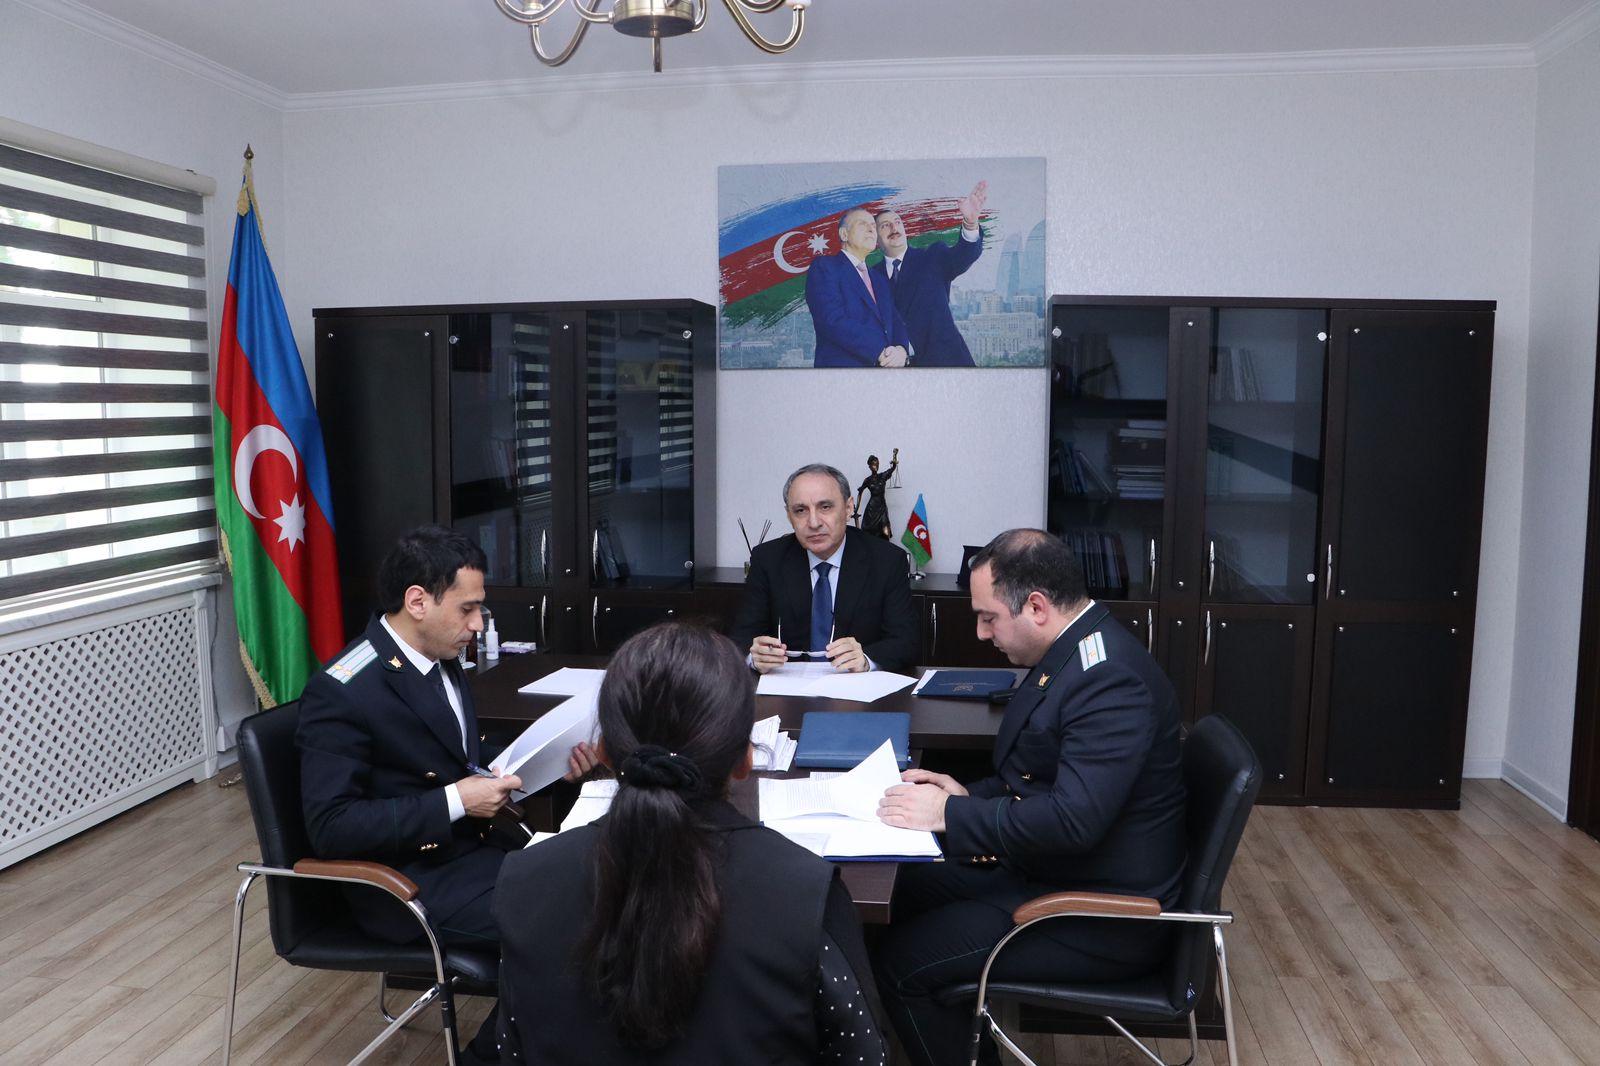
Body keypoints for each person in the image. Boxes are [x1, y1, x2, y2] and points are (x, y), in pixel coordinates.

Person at [494, 622, 888, 1065]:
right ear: (745, 758)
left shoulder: (524, 882)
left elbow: (512, 1048)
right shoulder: (804, 893)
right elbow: (863, 1055)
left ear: (603, 751)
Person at [872, 528, 1187, 1066]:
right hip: (1054, 870)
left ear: (1036, 607)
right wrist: (964, 793)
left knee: (902, 964)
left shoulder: (1109, 679)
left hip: (1098, 912)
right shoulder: (1075, 650)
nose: (980, 633)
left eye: (988, 617)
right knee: (901, 886)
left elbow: (1071, 821)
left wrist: (951, 813)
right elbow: (1034, 778)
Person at [298, 525, 595, 1065]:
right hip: (406, 883)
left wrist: (550, 763)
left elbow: (448, 756)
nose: (478, 624)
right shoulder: (343, 690)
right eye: (468, 609)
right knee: (575, 925)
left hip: (472, 853)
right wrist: (458, 801)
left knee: (603, 891)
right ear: (417, 602)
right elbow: (332, 827)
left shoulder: (439, 656)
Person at [730, 462, 918, 675]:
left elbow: (906, 641)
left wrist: (866, 659)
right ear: (789, 515)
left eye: (825, 507)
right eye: (800, 510)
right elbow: (740, 639)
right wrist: (754, 658)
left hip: (856, 686)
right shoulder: (768, 559)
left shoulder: (887, 560)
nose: (813, 522)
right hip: (787, 687)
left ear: (848, 508)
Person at [875, 180, 987, 367]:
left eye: (897, 222)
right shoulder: (870, 277)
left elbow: (964, 255)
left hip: (949, 365)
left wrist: (970, 223)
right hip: (897, 374)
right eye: (885, 226)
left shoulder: (932, 256)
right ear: (876, 239)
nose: (894, 228)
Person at [804, 206, 914, 368]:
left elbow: (895, 321)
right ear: (844, 234)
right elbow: (832, 319)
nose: (871, 229)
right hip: (842, 374)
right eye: (863, 224)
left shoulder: (879, 278)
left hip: (885, 376)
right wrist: (879, 350)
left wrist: (901, 350)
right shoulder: (825, 267)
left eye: (873, 226)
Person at [854, 448, 899, 539]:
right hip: (871, 508)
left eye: (877, 464)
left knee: (885, 530)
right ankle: (872, 545)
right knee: (870, 532)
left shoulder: (883, 476)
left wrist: (894, 456)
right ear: (870, 466)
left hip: (881, 507)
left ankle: (886, 546)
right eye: (874, 464)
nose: (876, 466)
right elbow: (860, 492)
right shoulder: (868, 480)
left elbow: (893, 468)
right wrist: (856, 509)